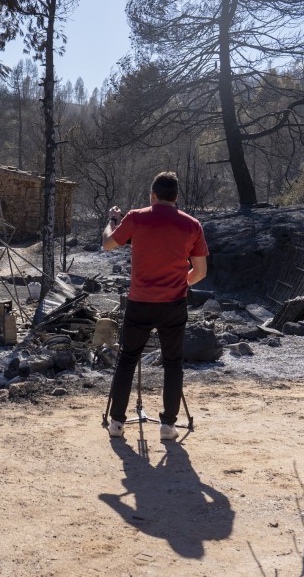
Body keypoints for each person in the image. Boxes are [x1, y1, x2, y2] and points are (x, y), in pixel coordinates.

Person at [102, 171, 209, 442]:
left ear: (153, 194)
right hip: (173, 303)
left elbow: (107, 244)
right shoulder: (192, 225)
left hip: (139, 301)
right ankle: (167, 426)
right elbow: (200, 271)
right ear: (176, 196)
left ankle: (116, 422)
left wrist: (112, 220)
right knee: (173, 364)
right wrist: (180, 284)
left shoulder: (136, 217)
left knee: (127, 359)